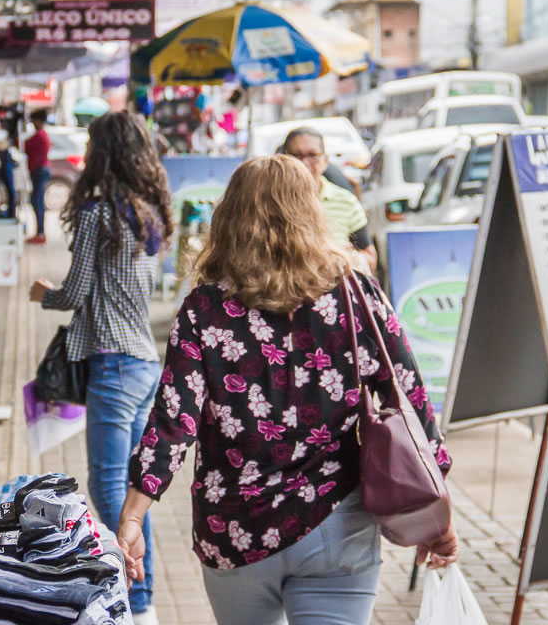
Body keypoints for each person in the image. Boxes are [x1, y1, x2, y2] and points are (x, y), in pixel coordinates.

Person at [116, 155, 458, 625]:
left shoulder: (204, 309)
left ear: (230, 217)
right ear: (312, 212)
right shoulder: (355, 293)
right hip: (337, 521)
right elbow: (411, 399)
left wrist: (134, 516)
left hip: (235, 527)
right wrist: (437, 514)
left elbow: (174, 420)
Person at [29, 111, 174, 624]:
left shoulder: (97, 215)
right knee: (136, 489)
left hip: (112, 365)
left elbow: (76, 290)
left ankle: (132, 603)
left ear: (102, 154)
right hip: (143, 363)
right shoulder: (149, 212)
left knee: (110, 485)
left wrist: (44, 295)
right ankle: (145, 600)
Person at [282, 127, 377, 272]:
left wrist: (342, 257)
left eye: (312, 155)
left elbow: (370, 259)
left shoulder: (346, 201)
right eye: (296, 156)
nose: (304, 163)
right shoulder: (274, 202)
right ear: (283, 160)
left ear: (325, 160)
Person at [25, 108, 51, 244]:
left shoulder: (39, 136)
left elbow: (24, 145)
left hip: (39, 171)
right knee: (38, 202)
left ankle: (40, 233)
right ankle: (40, 232)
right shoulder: (42, 135)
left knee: (37, 202)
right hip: (41, 171)